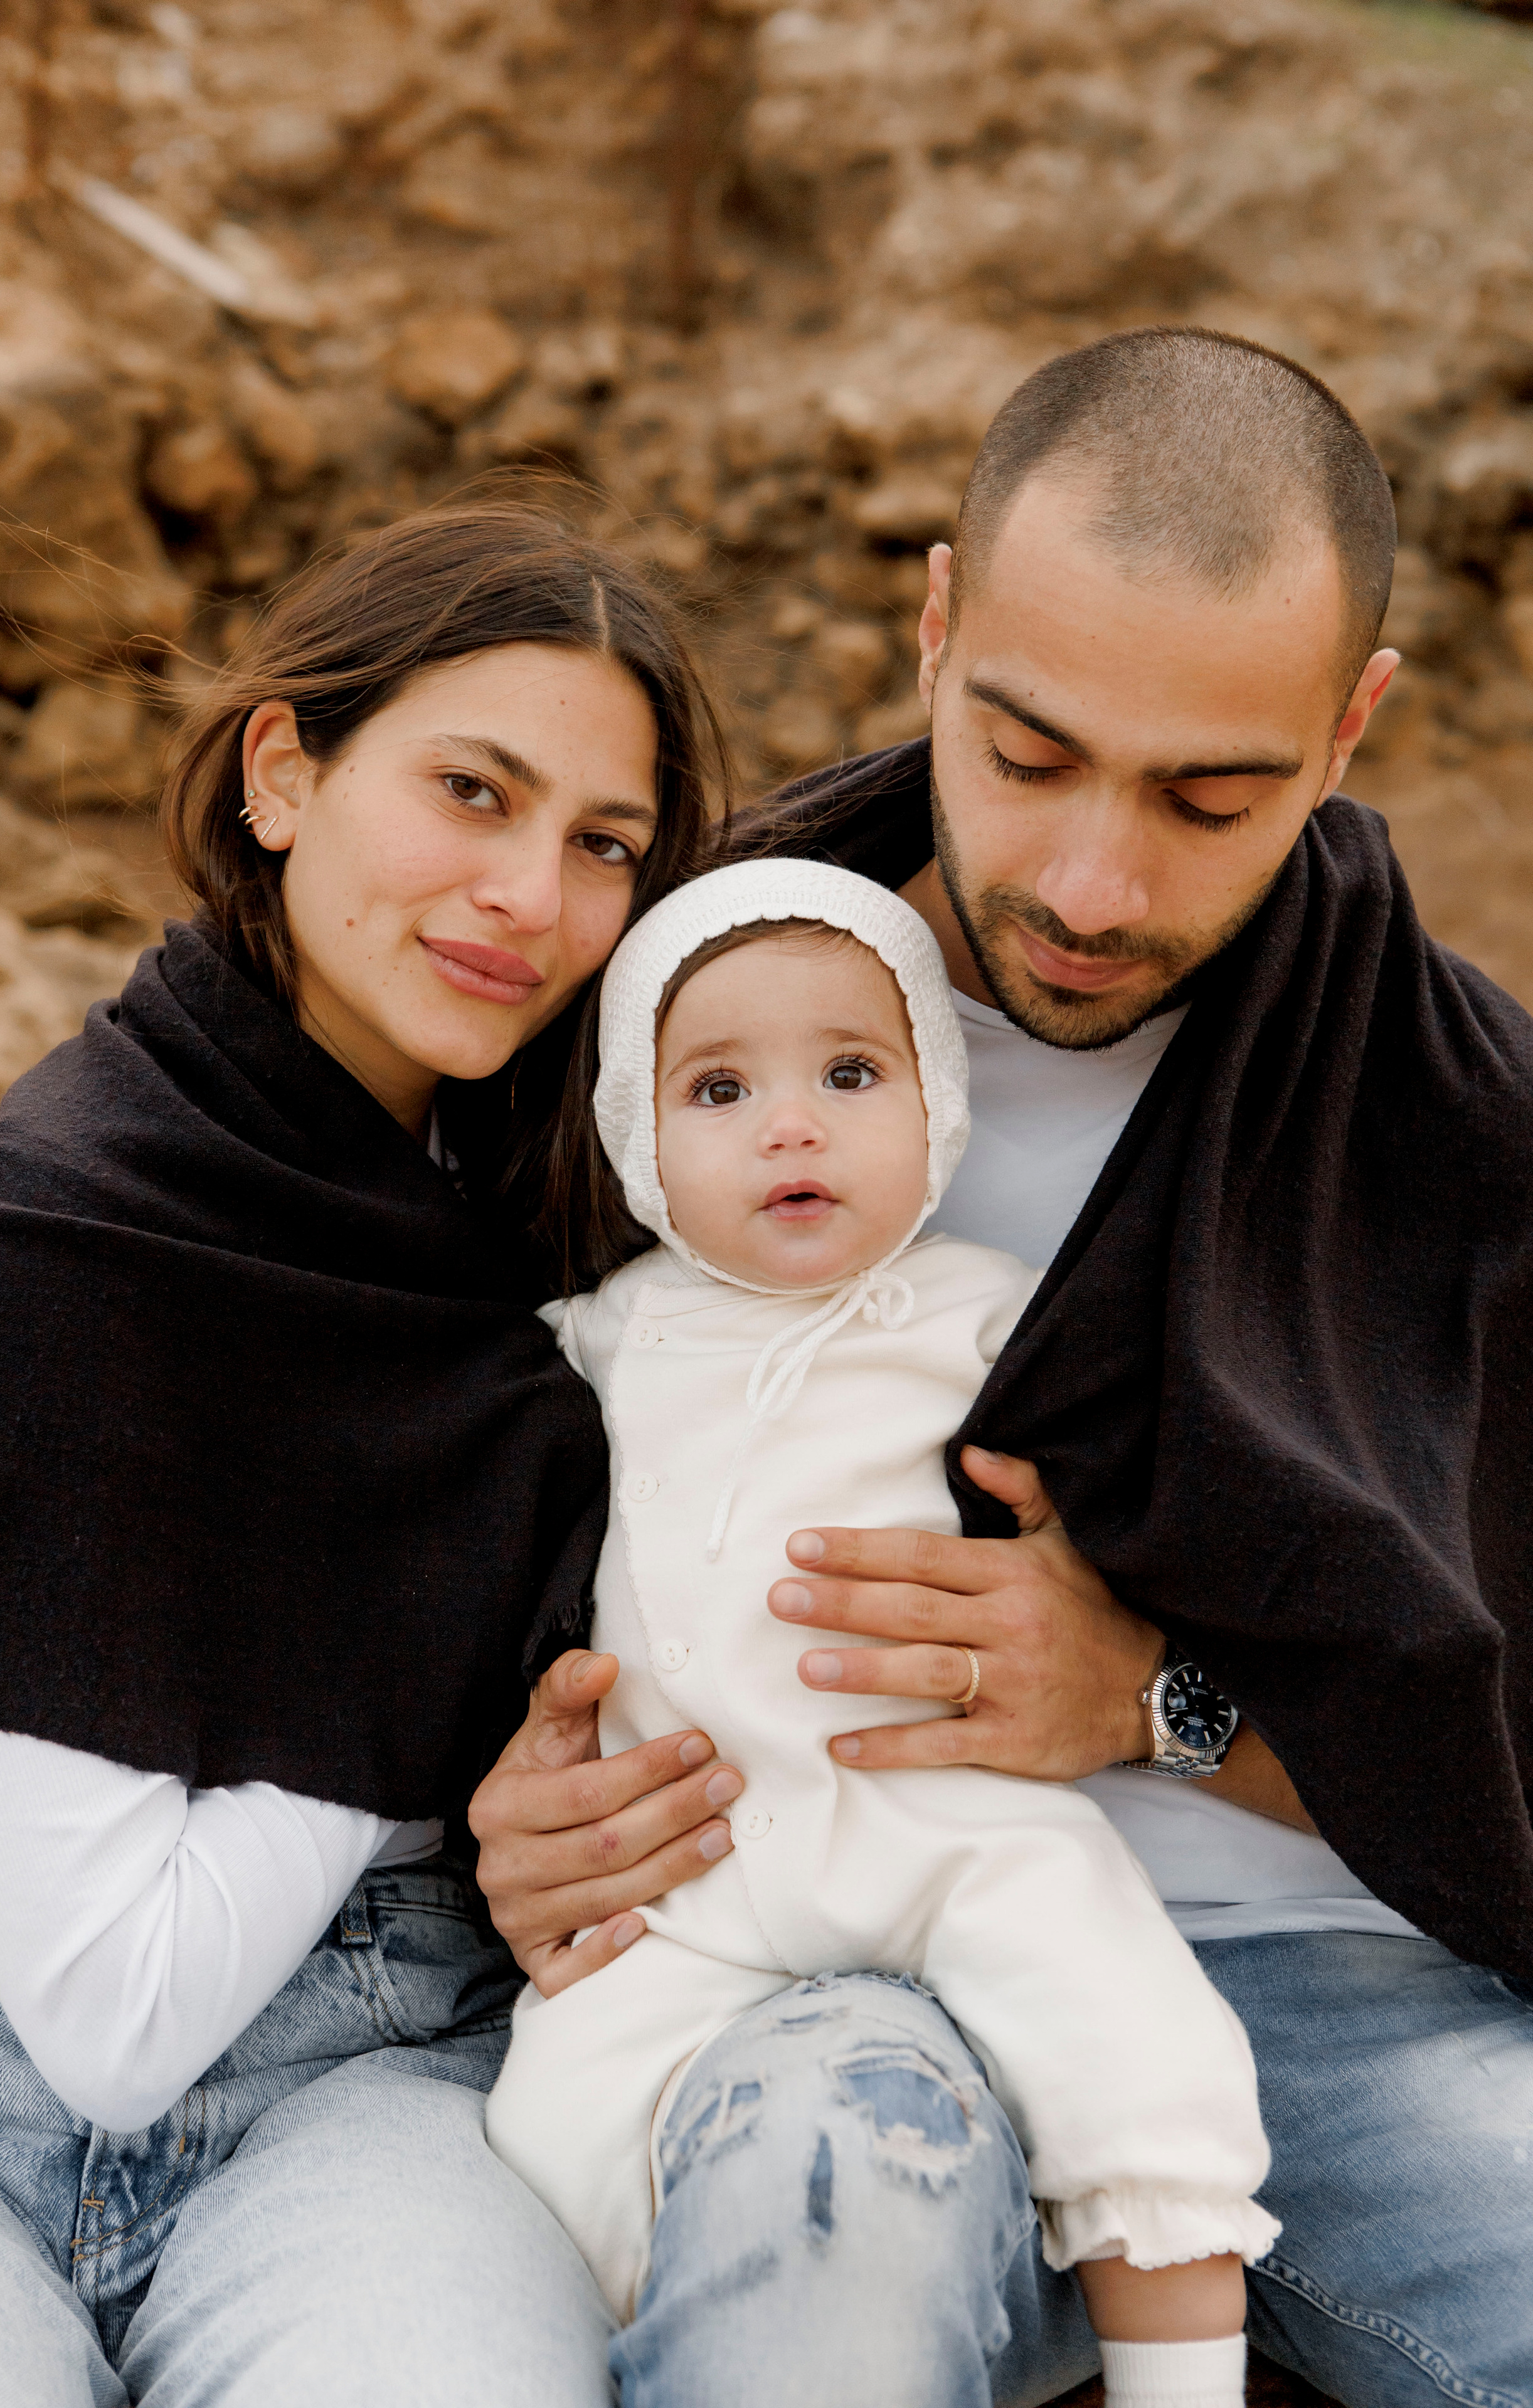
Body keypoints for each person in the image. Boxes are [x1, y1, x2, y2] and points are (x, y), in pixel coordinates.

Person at [471, 331, 1533, 2407]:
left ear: (1351, 731)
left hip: (1342, 1997)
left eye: (1211, 797)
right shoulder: (664, 1026)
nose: (1090, 883)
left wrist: (1155, 1702)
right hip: (827, 1966)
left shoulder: (1469, 1133)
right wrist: (504, 1812)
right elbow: (425, 1509)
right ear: (936, 624)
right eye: (1029, 754)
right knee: (819, 2303)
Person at [0, 502, 731, 2408]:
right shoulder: (41, 1257)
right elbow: (115, 2017)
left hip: (375, 2072)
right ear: (284, 770)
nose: (531, 894)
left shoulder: (586, 1228)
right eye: (473, 790)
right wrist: (437, 1630)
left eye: (601, 844)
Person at [487, 858, 1279, 2407]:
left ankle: (1179, 2376)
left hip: (942, 1824)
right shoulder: (599, 1339)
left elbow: (1181, 1484)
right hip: (693, 1882)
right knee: (547, 2124)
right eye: (717, 1090)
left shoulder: (989, 1316)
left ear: (935, 1104)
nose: (791, 1124)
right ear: (637, 1142)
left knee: (1128, 2035)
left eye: (850, 1073)